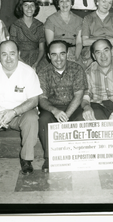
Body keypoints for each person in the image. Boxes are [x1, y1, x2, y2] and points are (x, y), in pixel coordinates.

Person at [0, 40, 42, 175]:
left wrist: (14, 112)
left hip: (20, 114)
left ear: (18, 54)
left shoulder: (28, 72)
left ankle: (26, 159)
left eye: (12, 54)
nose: (8, 58)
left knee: (32, 117)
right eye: (4, 54)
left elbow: (34, 100)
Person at [37, 40, 88, 172]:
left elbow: (79, 95)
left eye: (62, 54)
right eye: (54, 54)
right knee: (44, 119)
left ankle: (79, 156)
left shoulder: (77, 69)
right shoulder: (43, 72)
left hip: (73, 106)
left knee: (83, 119)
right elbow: (42, 99)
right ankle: (50, 158)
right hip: (53, 106)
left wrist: (66, 116)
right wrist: (55, 111)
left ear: (67, 54)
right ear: (48, 56)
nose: (58, 59)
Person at [81, 0, 113, 67]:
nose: (106, 5)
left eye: (109, 3)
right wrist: (107, 40)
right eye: (104, 1)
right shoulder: (88, 18)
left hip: (112, 50)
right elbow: (85, 42)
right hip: (92, 49)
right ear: (97, 1)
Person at [45, 0, 83, 64]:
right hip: (57, 53)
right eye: (61, 1)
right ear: (58, 4)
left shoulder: (79, 20)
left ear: (72, 3)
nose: (65, 4)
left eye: (67, 0)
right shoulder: (50, 20)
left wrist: (76, 57)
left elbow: (79, 42)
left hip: (74, 52)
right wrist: (61, 56)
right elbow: (50, 44)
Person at [10, 0, 47, 72]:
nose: (29, 8)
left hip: (37, 58)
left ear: (35, 7)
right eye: (26, 5)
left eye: (32, 5)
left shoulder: (40, 25)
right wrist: (23, 63)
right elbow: (13, 48)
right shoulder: (15, 25)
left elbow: (41, 49)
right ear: (21, 7)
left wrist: (36, 63)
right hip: (19, 57)